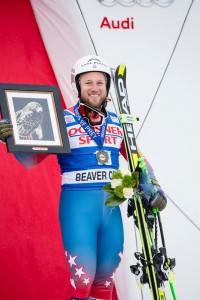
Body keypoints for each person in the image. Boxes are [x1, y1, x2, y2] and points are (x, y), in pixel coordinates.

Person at [0, 55, 167, 300]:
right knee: (82, 277)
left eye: (100, 82)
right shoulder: (62, 120)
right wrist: (12, 139)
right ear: (77, 86)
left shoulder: (118, 124)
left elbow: (137, 160)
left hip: (110, 207)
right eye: (88, 82)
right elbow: (31, 161)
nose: (94, 88)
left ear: (108, 87)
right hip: (77, 206)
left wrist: (153, 186)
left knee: (106, 276)